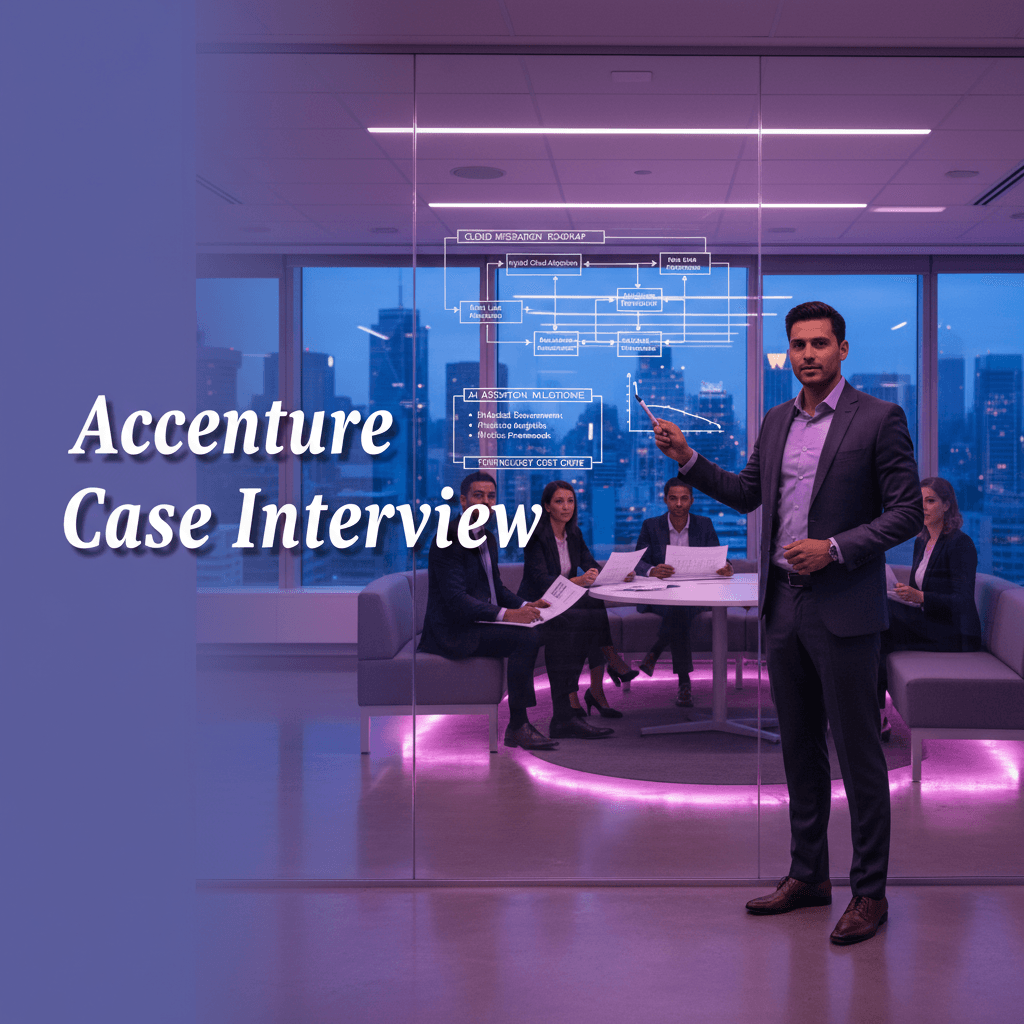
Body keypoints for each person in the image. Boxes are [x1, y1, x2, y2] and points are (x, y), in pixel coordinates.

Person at [653, 300, 922, 945]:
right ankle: (808, 876)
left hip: (844, 607)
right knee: (799, 750)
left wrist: (836, 548)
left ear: (842, 350)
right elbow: (747, 493)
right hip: (783, 606)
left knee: (858, 755)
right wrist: (688, 457)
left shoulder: (878, 418)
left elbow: (907, 512)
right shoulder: (776, 421)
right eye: (798, 345)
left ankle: (869, 892)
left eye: (820, 344)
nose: (808, 355)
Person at [418, 472, 610, 750]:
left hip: (481, 620)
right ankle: (518, 725)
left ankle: (564, 717)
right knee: (526, 637)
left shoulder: (487, 538)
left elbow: (496, 587)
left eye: (491, 496)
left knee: (562, 625)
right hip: (455, 629)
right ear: (463, 501)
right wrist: (509, 615)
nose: (486, 502)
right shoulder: (448, 539)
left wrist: (525, 605)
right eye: (478, 496)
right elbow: (457, 601)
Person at [518, 480, 634, 731]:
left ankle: (581, 696)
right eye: (559, 501)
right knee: (588, 614)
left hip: (565, 602)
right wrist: (576, 581)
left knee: (591, 608)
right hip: (540, 603)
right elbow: (540, 580)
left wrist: (618, 574)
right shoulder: (535, 537)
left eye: (570, 501)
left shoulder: (574, 534)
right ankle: (609, 662)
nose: (566, 507)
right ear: (547, 506)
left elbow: (590, 564)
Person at [878, 477, 982, 739]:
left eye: (931, 501)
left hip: (954, 633)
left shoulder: (961, 544)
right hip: (930, 622)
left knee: (880, 622)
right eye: (920, 501)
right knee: (878, 617)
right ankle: (876, 714)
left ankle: (876, 716)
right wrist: (905, 594)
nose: (923, 507)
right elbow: (920, 592)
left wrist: (921, 596)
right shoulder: (921, 542)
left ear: (947, 505)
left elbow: (962, 601)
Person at [634, 479, 733, 707]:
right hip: (660, 595)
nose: (679, 504)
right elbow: (638, 561)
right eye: (673, 498)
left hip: (696, 596)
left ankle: (659, 655)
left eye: (684, 498)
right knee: (678, 609)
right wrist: (652, 570)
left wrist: (727, 567)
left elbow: (720, 557)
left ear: (691, 500)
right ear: (665, 500)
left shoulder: (704, 525)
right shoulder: (651, 525)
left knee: (679, 609)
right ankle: (683, 682)